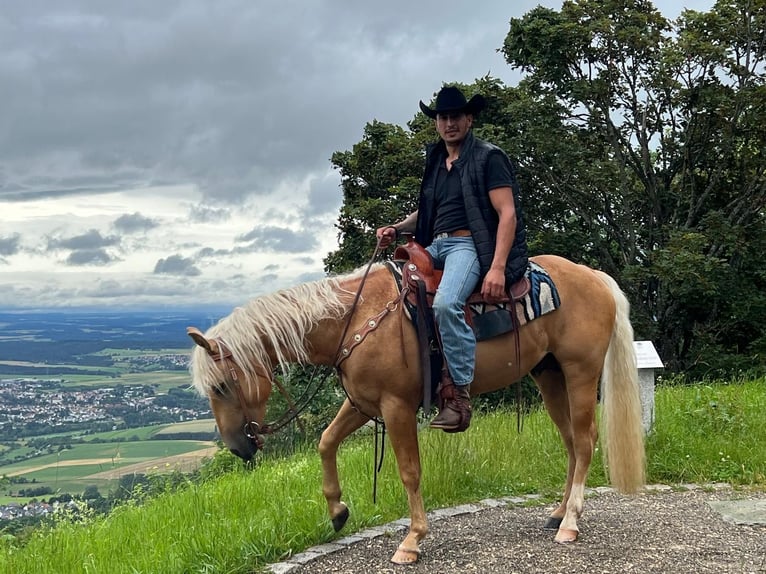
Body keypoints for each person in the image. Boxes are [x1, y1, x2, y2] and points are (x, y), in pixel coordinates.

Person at [376, 85, 528, 432]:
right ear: (436, 123)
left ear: (469, 119)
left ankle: (458, 397)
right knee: (390, 295)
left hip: (468, 246)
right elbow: (426, 212)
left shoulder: (488, 158)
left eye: (455, 116)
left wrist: (497, 268)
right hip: (433, 247)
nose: (449, 123)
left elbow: (507, 214)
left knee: (445, 304)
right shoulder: (435, 161)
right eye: (443, 117)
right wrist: (396, 229)